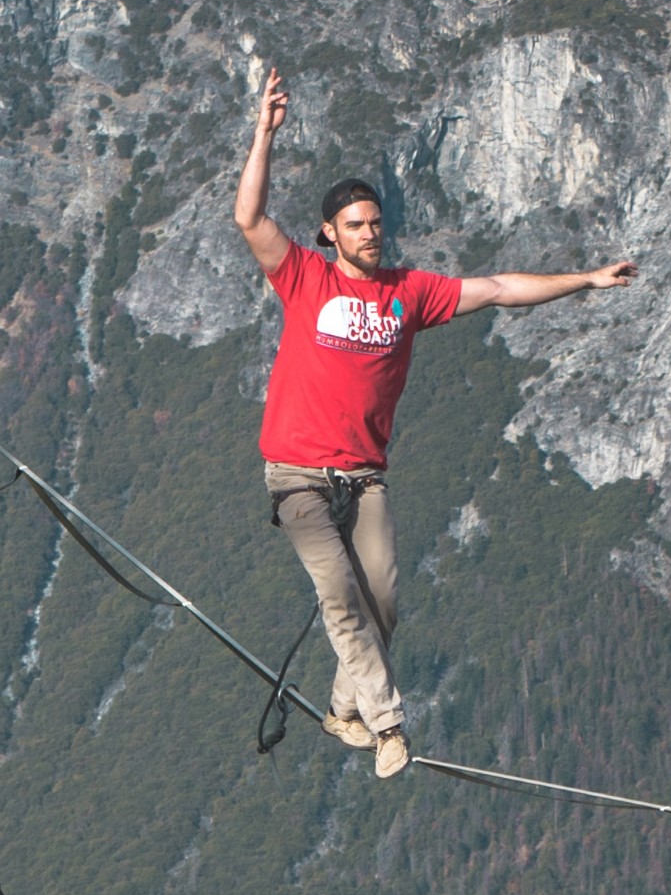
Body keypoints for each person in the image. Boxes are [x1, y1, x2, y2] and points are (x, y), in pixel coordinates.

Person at [234, 68, 638, 779]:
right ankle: (389, 725)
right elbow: (249, 218)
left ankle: (345, 710)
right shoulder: (305, 277)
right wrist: (264, 134)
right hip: (297, 474)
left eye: (376, 224)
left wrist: (586, 280)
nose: (370, 234)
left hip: (363, 478)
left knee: (381, 602)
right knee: (339, 593)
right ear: (329, 234)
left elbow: (503, 288)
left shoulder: (410, 293)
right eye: (355, 226)